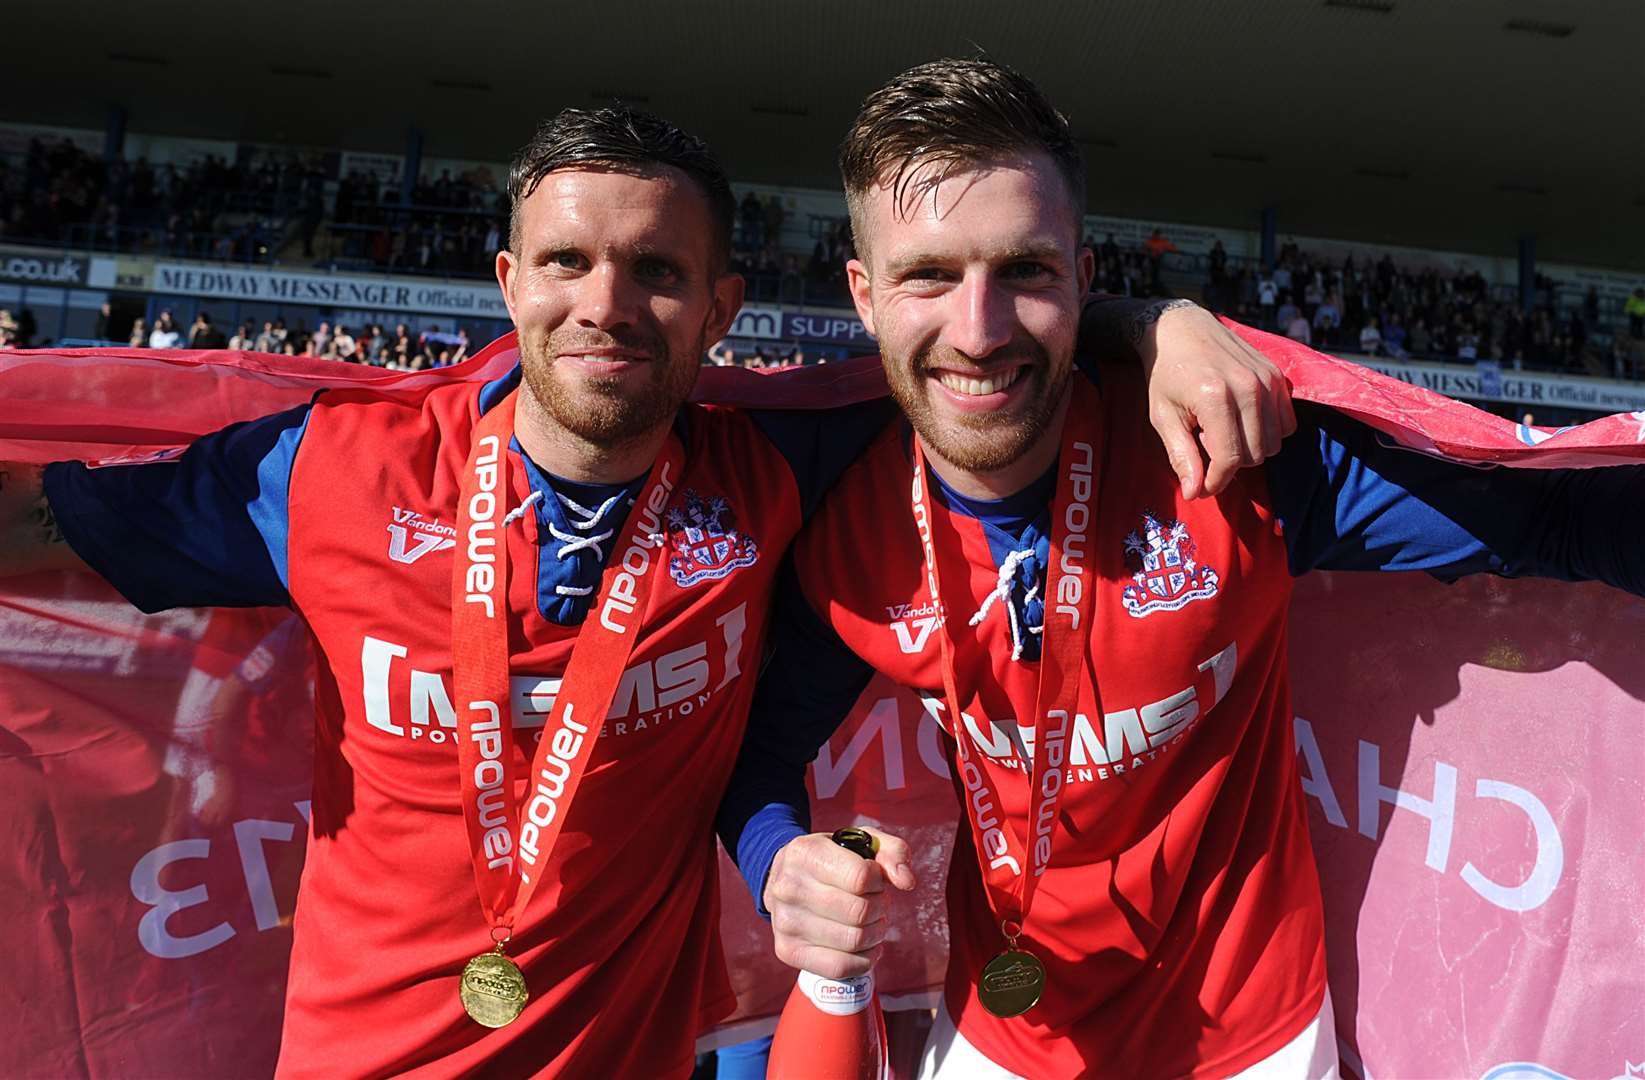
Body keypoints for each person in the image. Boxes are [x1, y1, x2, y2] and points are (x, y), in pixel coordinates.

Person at [0, 105, 1292, 1078]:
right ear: (508, 285)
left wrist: (1157, 320)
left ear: (720, 307)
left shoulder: (782, 468)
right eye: (565, 262)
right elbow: (47, 529)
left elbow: (976, 354)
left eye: (658, 274)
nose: (605, 306)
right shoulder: (326, 474)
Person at [715, 58, 1645, 1080]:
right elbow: (755, 761)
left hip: (1255, 1038)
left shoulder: (1235, 463)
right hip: (1001, 1030)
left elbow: (1557, 517)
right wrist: (776, 865)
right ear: (862, 293)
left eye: (1023, 270)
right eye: (928, 274)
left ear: (1081, 274)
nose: (976, 332)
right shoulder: (846, 536)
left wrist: (1167, 319)